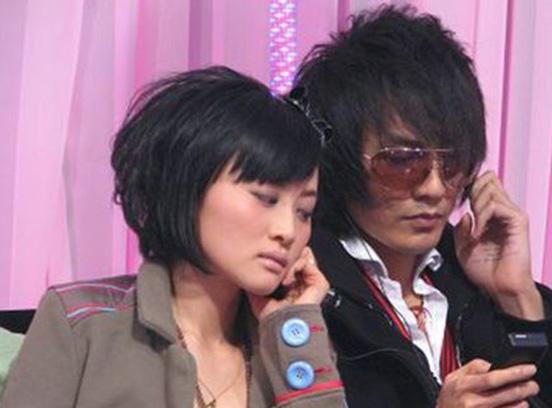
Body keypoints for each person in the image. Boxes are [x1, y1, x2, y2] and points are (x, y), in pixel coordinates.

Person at [294, 5, 552, 407]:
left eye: (453, 162)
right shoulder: (302, 290)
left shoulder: (473, 279)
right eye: (403, 161)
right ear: (338, 155)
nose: (434, 188)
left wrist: (518, 297)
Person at [1, 67, 345, 407]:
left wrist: (293, 330)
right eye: (266, 198)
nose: (288, 231)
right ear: (188, 184)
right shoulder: (81, 323)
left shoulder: (293, 343)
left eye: (304, 211)